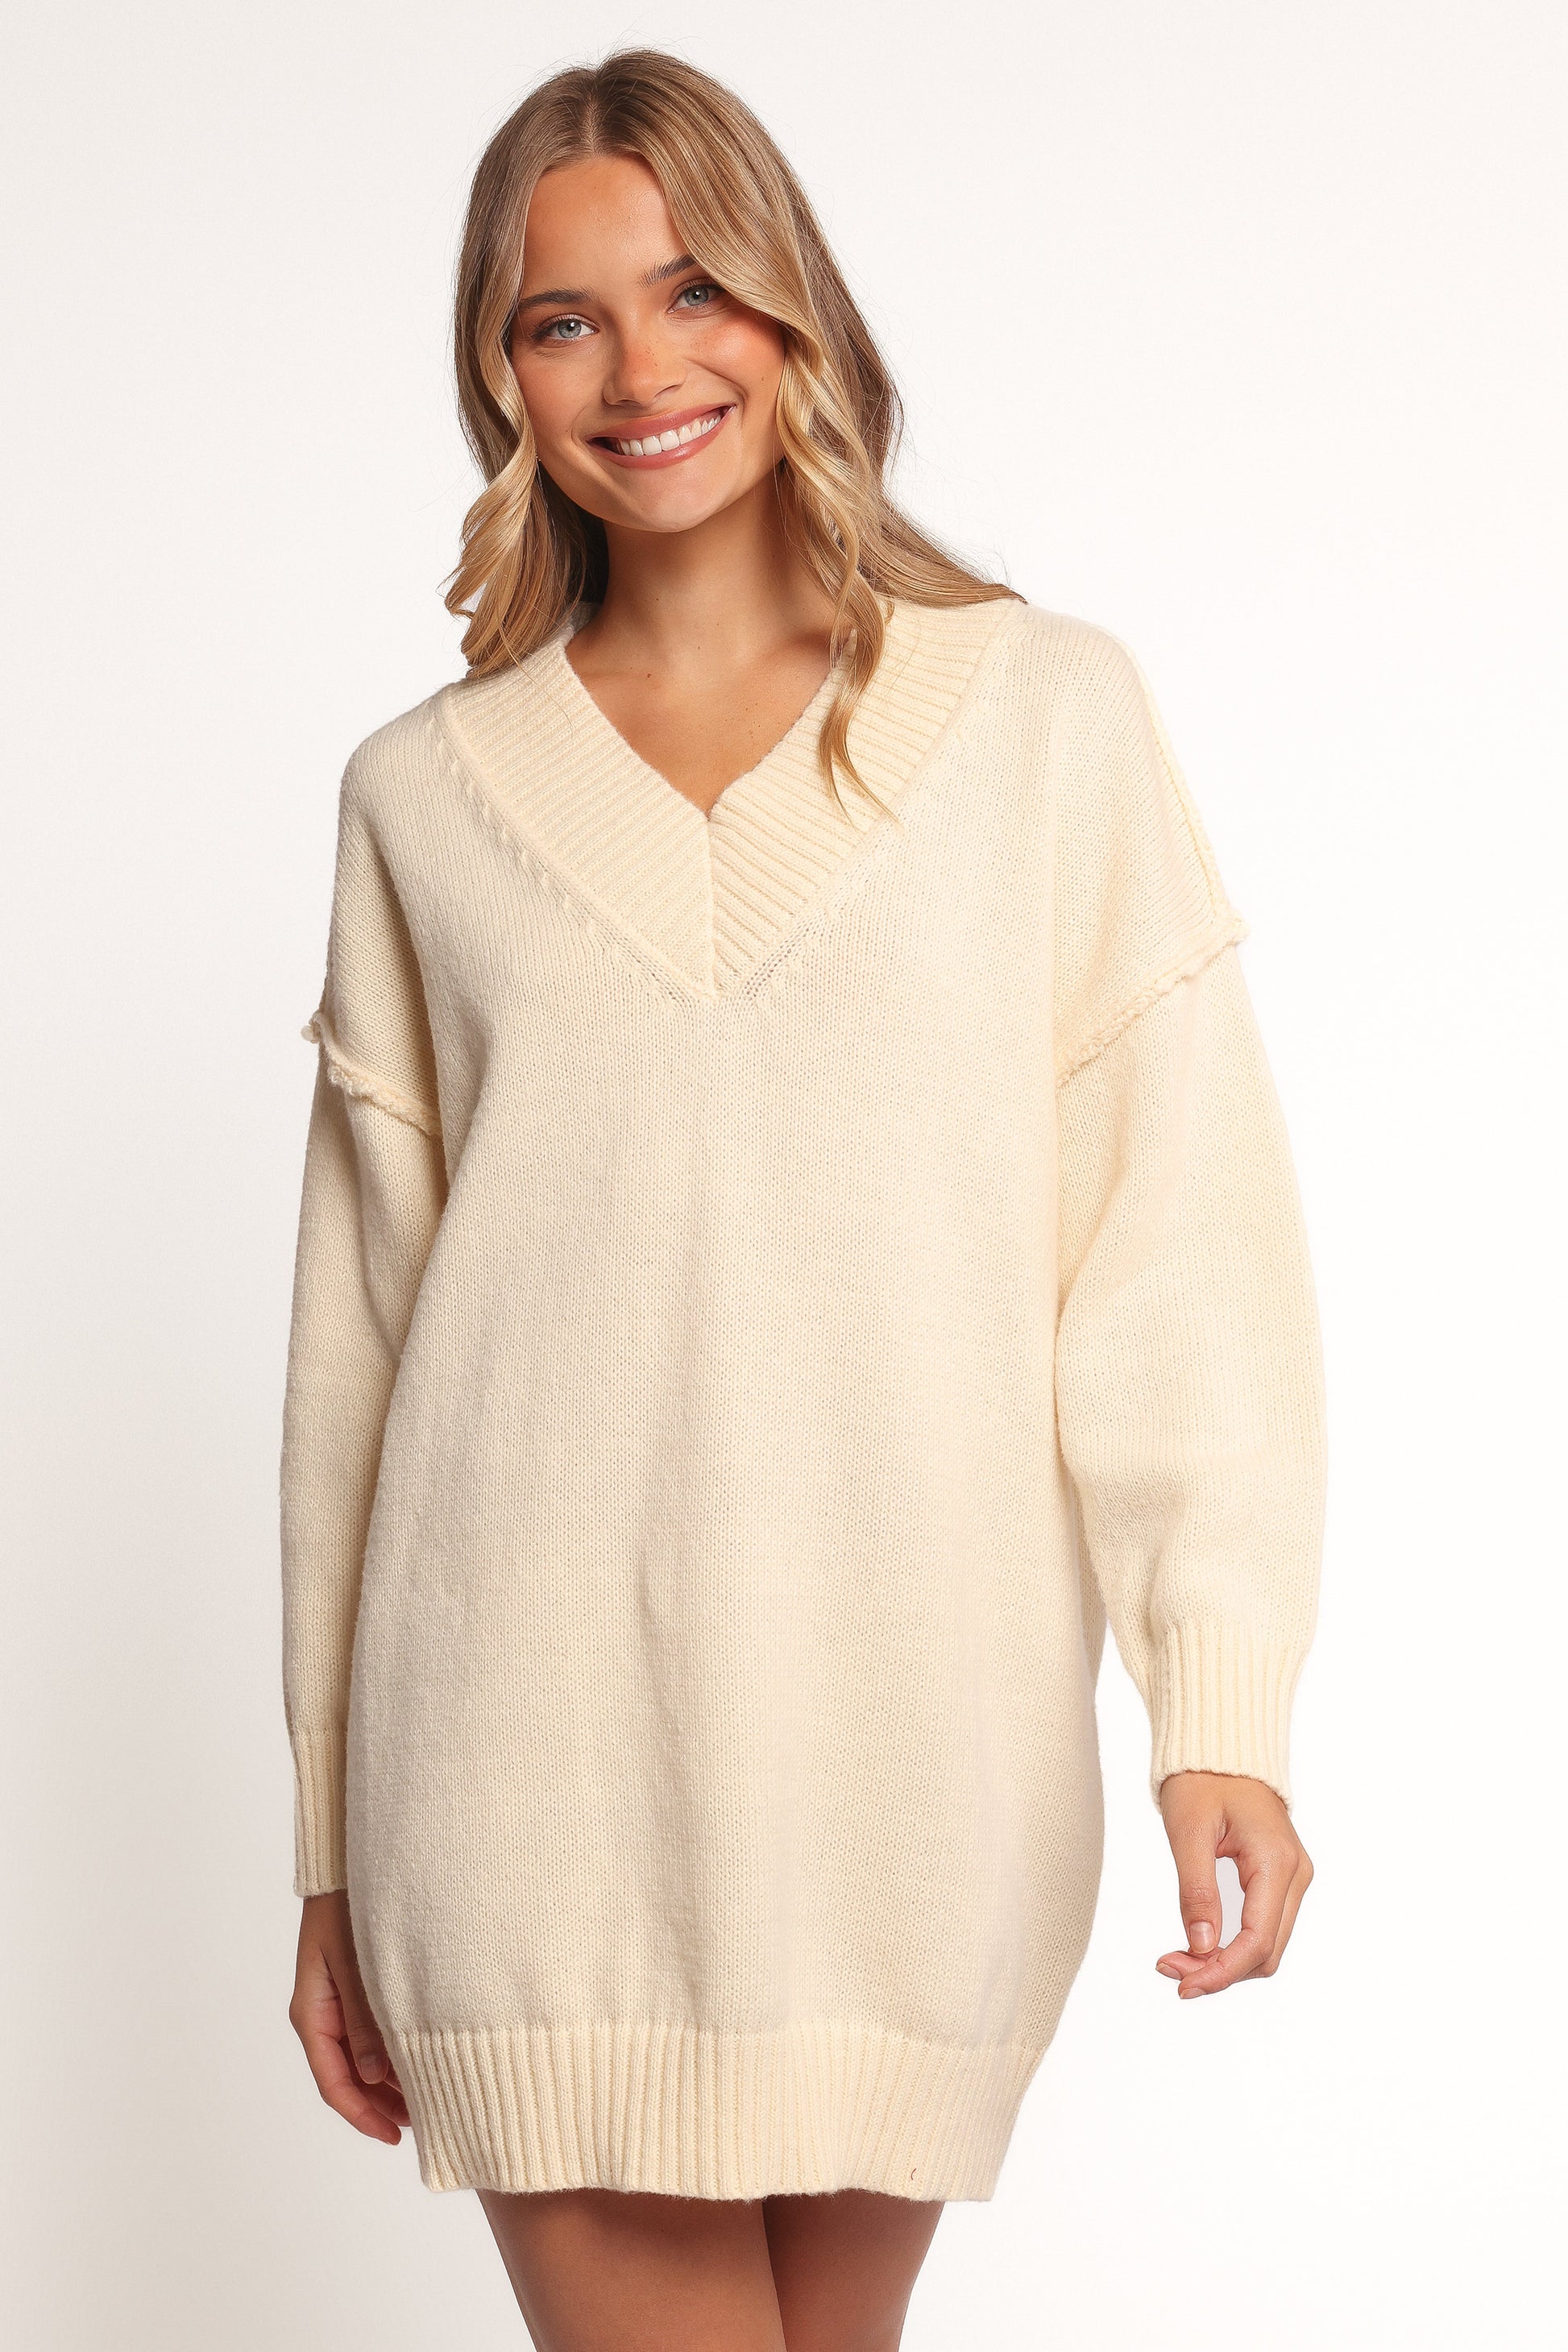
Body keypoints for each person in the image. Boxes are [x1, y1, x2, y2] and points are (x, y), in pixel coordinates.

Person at [280, 48, 1325, 2352]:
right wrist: (335, 1851)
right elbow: (358, 1363)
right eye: (562, 320)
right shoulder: (424, 799)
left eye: (694, 291)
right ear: (499, 375)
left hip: (915, 1774)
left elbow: (1180, 1244)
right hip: (528, 1786)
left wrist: (1217, 1700)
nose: (641, 370)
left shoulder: (1043, 718)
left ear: (794, 311)